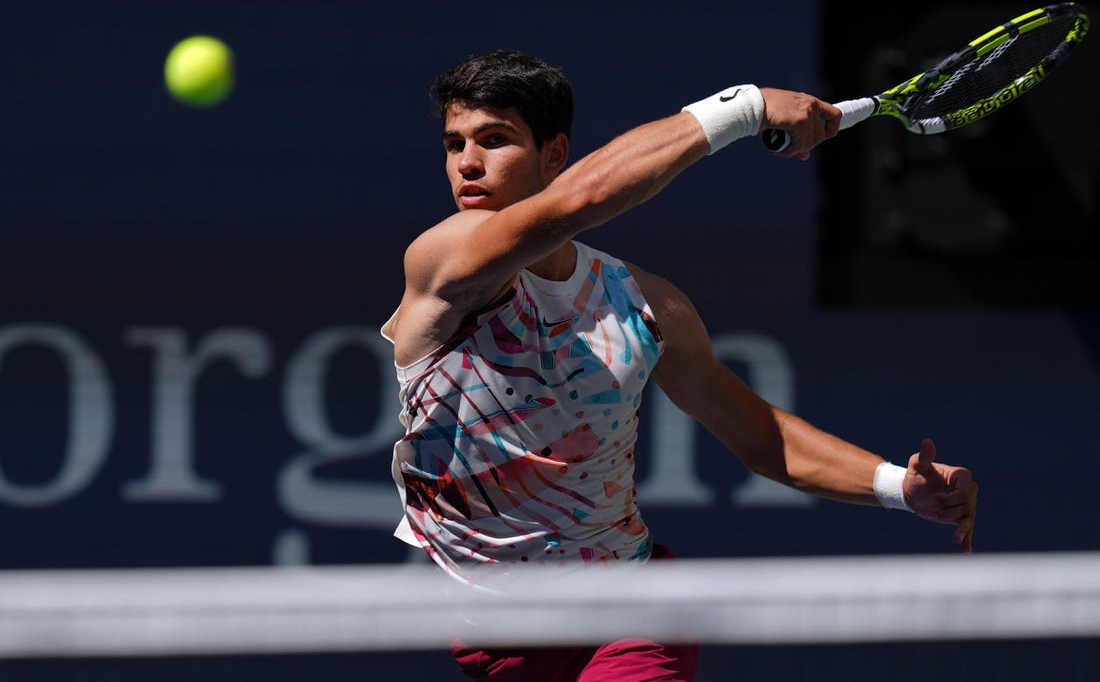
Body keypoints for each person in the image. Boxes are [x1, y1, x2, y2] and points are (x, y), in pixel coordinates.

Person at [381, 49, 979, 681]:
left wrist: (897, 487)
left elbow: (760, 438)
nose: (467, 163)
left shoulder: (646, 302)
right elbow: (580, 201)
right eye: (454, 144)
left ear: (553, 155)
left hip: (633, 606)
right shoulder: (443, 260)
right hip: (498, 635)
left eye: (495, 140)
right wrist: (745, 106)